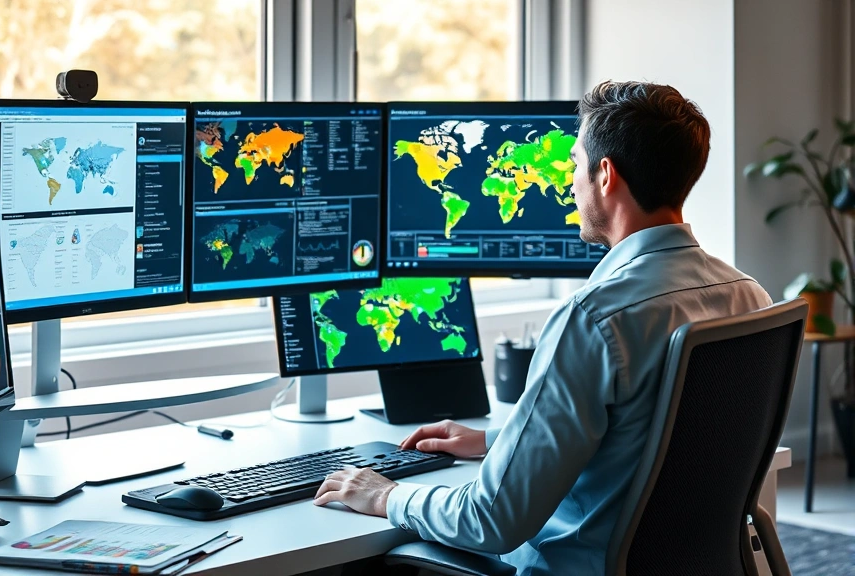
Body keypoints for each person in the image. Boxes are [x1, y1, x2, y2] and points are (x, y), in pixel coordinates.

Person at [311, 80, 773, 575]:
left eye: (574, 164)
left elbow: (492, 520)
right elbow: (649, 435)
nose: (568, 183)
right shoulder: (749, 296)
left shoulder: (594, 320)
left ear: (605, 176)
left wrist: (388, 494)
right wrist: (498, 441)